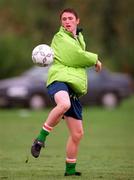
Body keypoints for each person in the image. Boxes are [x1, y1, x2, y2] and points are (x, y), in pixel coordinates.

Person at [31, 8, 102, 176]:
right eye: (64, 19)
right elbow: (75, 56)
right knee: (64, 103)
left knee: (77, 134)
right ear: (61, 23)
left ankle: (70, 170)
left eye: (70, 18)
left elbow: (77, 57)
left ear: (77, 20)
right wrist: (95, 60)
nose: (67, 21)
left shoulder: (79, 38)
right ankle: (40, 139)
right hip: (59, 80)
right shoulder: (60, 37)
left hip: (73, 88)